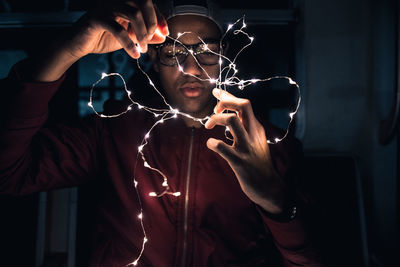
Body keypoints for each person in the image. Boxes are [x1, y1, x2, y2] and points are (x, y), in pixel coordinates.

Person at [0, 0, 323, 266]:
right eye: (174, 53)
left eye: (207, 52)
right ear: (153, 56)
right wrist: (68, 49)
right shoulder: (113, 130)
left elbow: (311, 260)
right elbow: (10, 173)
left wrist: (276, 203)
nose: (192, 69)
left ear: (225, 54)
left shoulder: (272, 146)